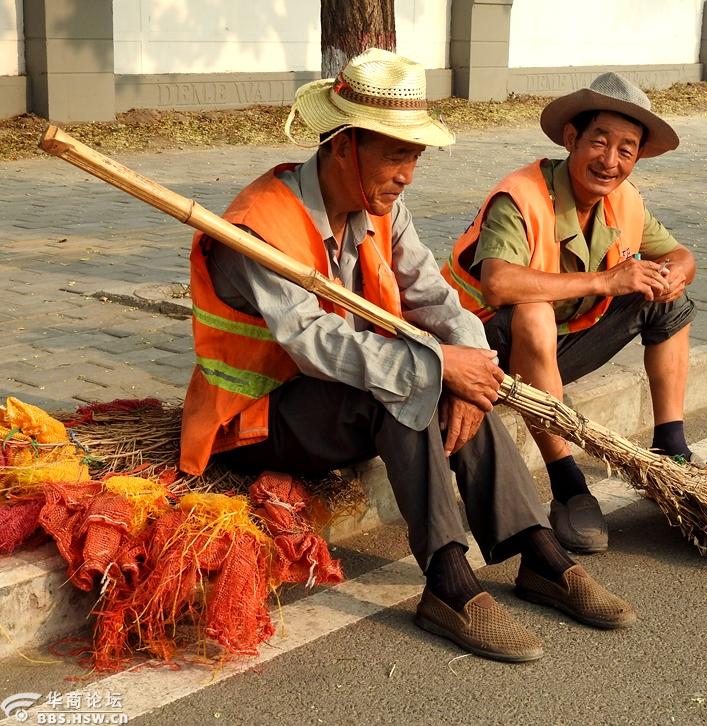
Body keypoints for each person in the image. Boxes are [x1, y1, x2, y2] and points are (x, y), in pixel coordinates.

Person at [178, 49, 635, 663]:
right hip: (258, 419)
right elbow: (316, 345)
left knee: (447, 376)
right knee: (410, 385)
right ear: (344, 145)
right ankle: (448, 579)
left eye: (414, 157)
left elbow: (434, 296)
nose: (407, 174)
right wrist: (441, 367)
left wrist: (473, 364)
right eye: (397, 153)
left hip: (337, 400)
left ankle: (536, 553)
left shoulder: (381, 208)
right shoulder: (258, 225)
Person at [443, 72, 700, 555]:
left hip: (556, 349)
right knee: (535, 311)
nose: (610, 160)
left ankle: (673, 449)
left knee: (670, 301)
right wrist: (608, 280)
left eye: (627, 149)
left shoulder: (625, 201)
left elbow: (681, 254)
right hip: (480, 353)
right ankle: (568, 486)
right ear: (570, 139)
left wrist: (674, 275)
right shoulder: (519, 196)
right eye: (599, 142)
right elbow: (498, 283)